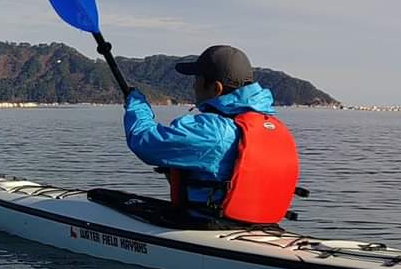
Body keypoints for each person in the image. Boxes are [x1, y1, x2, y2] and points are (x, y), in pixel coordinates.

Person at [123, 44, 300, 226]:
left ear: (216, 88)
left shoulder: (213, 131)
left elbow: (144, 141)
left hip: (209, 227)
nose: (194, 86)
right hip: (263, 228)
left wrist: (137, 105)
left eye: (198, 80)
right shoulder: (272, 126)